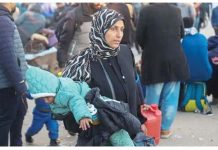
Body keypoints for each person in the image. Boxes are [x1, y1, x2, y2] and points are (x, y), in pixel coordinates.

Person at [25, 65, 148, 146]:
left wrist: (83, 116)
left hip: (93, 109)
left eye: (47, 97)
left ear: (53, 89)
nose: (46, 101)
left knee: (115, 131)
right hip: (89, 117)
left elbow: (76, 101)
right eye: (42, 98)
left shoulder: (64, 93)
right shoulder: (55, 91)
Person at [62, 9, 145, 128]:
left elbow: (134, 90)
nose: (119, 34)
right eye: (113, 28)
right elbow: (70, 106)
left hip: (131, 130)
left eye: (121, 29)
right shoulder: (82, 63)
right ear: (100, 28)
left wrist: (141, 121)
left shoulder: (125, 52)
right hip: (102, 137)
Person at [136, 3, 190, 139]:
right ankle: (165, 129)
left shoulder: (145, 11)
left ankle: (151, 129)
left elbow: (139, 37)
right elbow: (182, 33)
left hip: (154, 59)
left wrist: (150, 46)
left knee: (153, 97)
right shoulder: (176, 10)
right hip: (175, 58)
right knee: (171, 97)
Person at [0, 3, 29, 146]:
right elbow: (7, 57)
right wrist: (21, 85)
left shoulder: (5, 19)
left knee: (14, 122)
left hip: (8, 84)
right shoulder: (3, 21)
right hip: (8, 86)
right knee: (5, 126)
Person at [55, 3, 103, 69]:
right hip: (75, 62)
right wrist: (62, 64)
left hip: (94, 62)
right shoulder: (74, 15)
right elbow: (63, 43)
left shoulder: (103, 13)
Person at [182, 17, 212, 82]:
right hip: (206, 74)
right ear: (193, 24)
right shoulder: (202, 37)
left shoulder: (181, 40)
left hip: (186, 77)